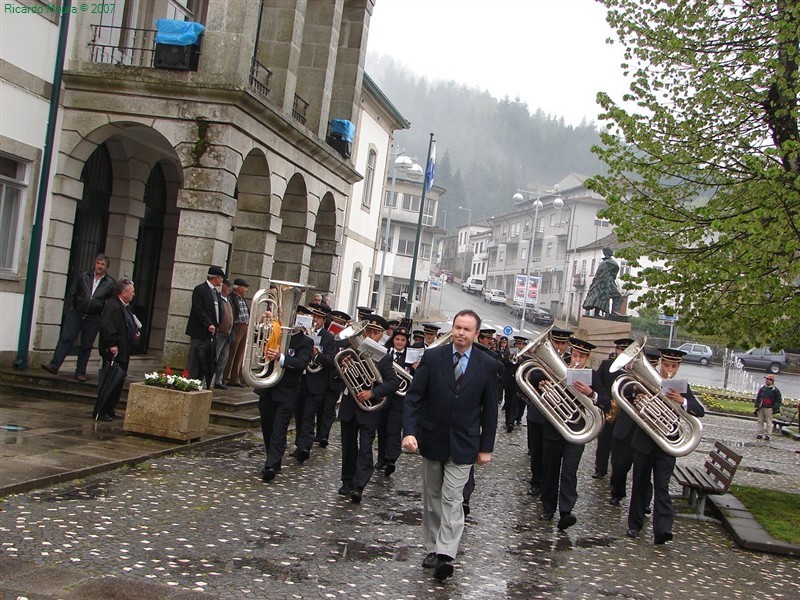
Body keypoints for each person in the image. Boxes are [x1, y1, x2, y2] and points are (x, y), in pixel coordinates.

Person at [402, 309, 498, 582]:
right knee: (432, 496)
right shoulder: (433, 357)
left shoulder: (487, 364)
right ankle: (432, 547)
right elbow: (414, 398)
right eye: (457, 327)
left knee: (452, 498)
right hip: (432, 439)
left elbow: (490, 410)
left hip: (466, 443)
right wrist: (409, 432)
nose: (460, 333)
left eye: (467, 329)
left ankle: (446, 554)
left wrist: (486, 447)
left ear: (476, 334)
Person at [626, 348, 705, 544]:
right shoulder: (647, 379)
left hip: (666, 445)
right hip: (644, 441)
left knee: (662, 486)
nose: (669, 369)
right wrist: (637, 397)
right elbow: (627, 392)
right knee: (640, 484)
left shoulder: (681, 387)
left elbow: (699, 410)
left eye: (674, 366)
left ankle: (663, 529)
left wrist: (683, 401)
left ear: (678, 367)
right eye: (667, 365)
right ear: (661, 363)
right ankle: (634, 525)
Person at [539, 337, 606, 531]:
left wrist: (591, 393)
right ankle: (548, 507)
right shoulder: (557, 369)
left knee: (569, 471)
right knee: (550, 469)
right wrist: (544, 386)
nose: (578, 359)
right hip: (554, 427)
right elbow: (536, 385)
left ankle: (566, 512)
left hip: (577, 428)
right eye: (575, 355)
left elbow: (607, 402)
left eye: (582, 356)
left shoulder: (592, 376)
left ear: (588, 358)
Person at [337, 314, 400, 504]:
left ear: (381, 335)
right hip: (350, 405)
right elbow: (337, 375)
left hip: (370, 408)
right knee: (348, 445)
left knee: (365, 446)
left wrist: (372, 392)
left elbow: (393, 383)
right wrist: (343, 367)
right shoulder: (349, 351)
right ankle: (347, 481)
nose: (371, 336)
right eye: (368, 332)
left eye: (375, 333)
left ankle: (359, 485)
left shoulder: (385, 358)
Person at [257, 311, 314, 483]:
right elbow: (255, 340)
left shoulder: (306, 341)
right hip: (267, 388)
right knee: (267, 426)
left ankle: (271, 465)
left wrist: (281, 357)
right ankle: (274, 459)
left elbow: (301, 363)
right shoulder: (275, 331)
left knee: (279, 429)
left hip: (287, 391)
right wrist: (261, 323)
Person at [42, 254, 116, 382]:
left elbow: (110, 302)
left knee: (86, 345)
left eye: (103, 264)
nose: (99, 266)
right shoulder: (84, 275)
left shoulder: (110, 283)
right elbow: (73, 291)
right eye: (98, 263)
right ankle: (54, 365)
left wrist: (102, 315)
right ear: (95, 263)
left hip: (93, 317)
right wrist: (71, 307)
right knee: (66, 338)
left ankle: (80, 372)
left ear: (107, 267)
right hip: (76, 313)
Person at [525, 327, 573, 498]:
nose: (560, 346)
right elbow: (530, 376)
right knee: (536, 450)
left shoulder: (571, 361)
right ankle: (536, 482)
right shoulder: (540, 359)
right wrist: (544, 379)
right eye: (557, 342)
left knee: (551, 454)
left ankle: (549, 487)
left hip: (561, 415)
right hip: (540, 412)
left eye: (563, 343)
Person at [609, 347, 659, 506]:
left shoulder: (659, 382)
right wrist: (635, 390)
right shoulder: (631, 377)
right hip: (625, 428)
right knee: (618, 466)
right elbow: (620, 389)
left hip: (646, 431)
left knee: (644, 471)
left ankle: (644, 503)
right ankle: (617, 492)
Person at [293, 302, 336, 461]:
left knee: (309, 416)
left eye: (318, 317)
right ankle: (299, 444)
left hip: (316, 382)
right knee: (299, 413)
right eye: (313, 316)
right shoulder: (301, 334)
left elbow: (332, 361)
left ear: (324, 320)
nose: (315, 320)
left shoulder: (328, 338)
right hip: (300, 378)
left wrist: (317, 355)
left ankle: (305, 446)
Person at [94, 279, 139, 420]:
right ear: (124, 293)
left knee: (118, 381)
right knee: (110, 381)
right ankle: (101, 410)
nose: (133, 295)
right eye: (131, 292)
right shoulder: (112, 306)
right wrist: (112, 344)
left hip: (124, 349)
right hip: (115, 350)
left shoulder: (123, 306)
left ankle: (110, 408)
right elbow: (108, 327)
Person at [592, 338, 635, 479]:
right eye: (621, 350)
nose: (623, 353)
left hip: (625, 411)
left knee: (621, 447)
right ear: (616, 350)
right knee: (603, 441)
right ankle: (600, 469)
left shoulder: (633, 370)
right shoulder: (606, 365)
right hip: (608, 408)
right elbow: (598, 382)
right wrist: (605, 399)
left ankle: (617, 476)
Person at [376, 326, 412, 476]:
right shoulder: (385, 353)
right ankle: (381, 459)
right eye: (397, 339)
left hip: (400, 400)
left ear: (406, 342)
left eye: (403, 340)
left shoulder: (411, 358)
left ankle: (391, 459)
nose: (399, 342)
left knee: (394, 430)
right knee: (381, 429)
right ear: (393, 340)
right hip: (384, 397)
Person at [314, 309, 352, 447]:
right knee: (320, 407)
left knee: (329, 408)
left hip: (336, 378)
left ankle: (324, 435)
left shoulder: (347, 341)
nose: (338, 324)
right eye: (336, 321)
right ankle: (319, 433)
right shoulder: (325, 336)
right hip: (322, 375)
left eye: (341, 323)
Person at [186, 266, 224, 389]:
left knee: (206, 362)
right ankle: (190, 383)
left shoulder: (216, 293)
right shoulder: (200, 289)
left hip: (211, 335)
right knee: (195, 361)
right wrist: (208, 324)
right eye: (220, 278)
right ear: (216, 277)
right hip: (200, 332)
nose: (221, 281)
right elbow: (198, 309)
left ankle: (200, 384)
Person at [223, 278, 250, 388]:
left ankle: (235, 377)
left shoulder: (242, 299)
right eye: (245, 287)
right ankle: (226, 377)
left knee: (240, 353)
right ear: (238, 288)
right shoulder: (231, 298)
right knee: (232, 352)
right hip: (236, 327)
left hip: (245, 326)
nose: (247, 290)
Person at [582, 247, 623, 317]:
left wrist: (593, 284)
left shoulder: (602, 263)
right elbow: (614, 275)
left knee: (600, 297)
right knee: (617, 296)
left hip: (599, 283)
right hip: (608, 282)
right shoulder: (613, 263)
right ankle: (613, 312)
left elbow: (597, 275)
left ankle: (597, 313)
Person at [213, 280, 234, 390]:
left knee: (223, 358)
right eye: (227, 286)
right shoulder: (219, 298)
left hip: (228, 333)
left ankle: (218, 380)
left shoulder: (228, 300)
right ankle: (211, 379)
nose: (229, 289)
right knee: (215, 356)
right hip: (220, 332)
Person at [754, 375, 782, 441]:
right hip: (761, 407)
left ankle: (768, 435)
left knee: (769, 422)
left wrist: (773, 408)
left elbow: (778, 401)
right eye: (766, 379)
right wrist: (756, 406)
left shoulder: (775, 390)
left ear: (772, 381)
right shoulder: (763, 388)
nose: (767, 381)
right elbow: (758, 397)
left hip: (769, 408)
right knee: (760, 421)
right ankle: (760, 434)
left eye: (769, 379)